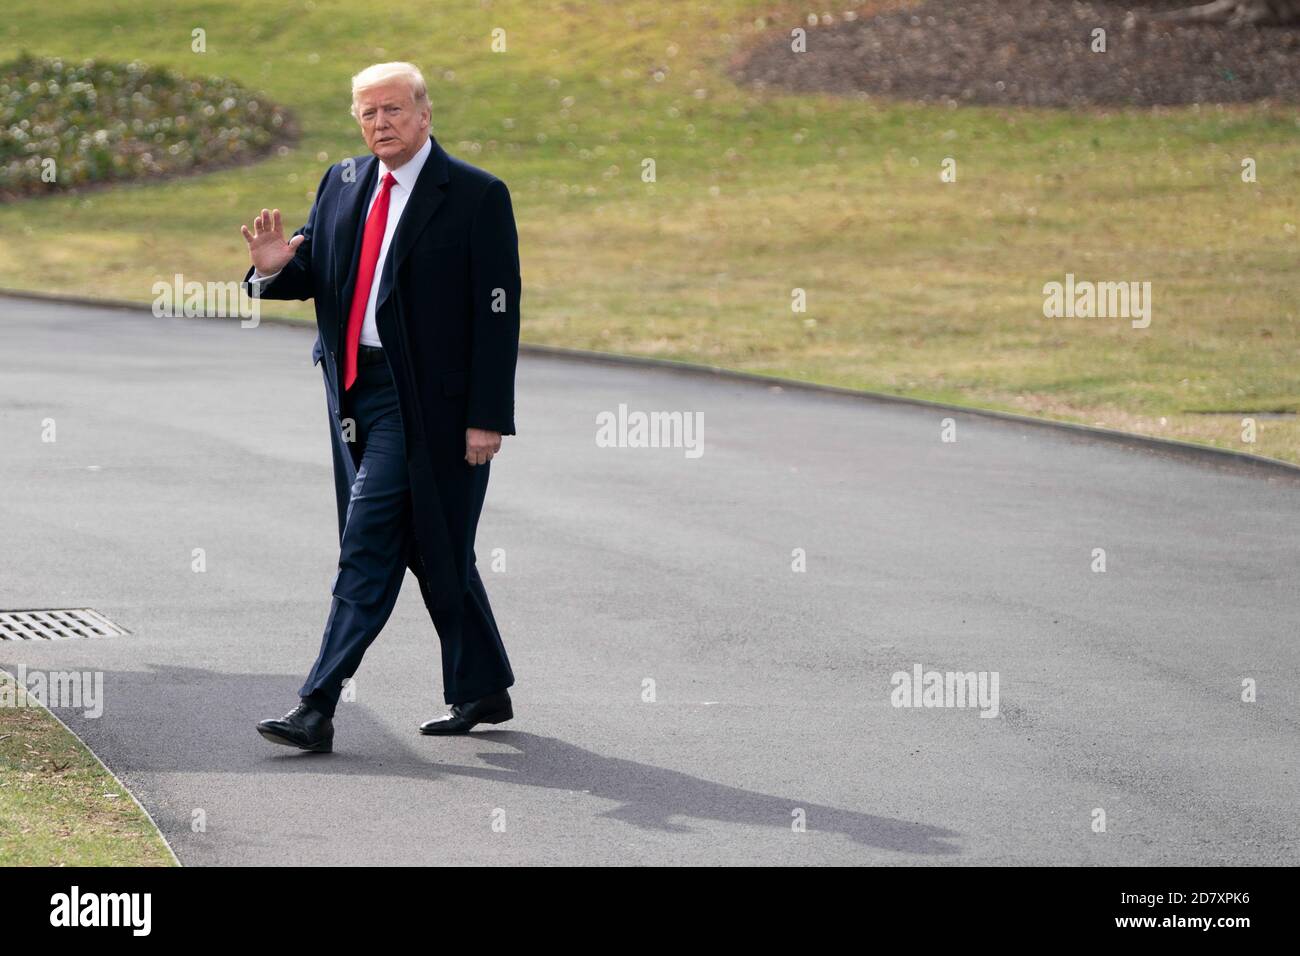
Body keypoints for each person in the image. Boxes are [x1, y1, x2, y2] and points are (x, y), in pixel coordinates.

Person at [241, 62, 520, 752]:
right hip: (352, 396)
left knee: (367, 543)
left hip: (430, 404)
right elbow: (319, 273)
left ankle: (317, 704)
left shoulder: (476, 196)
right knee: (437, 547)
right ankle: (482, 686)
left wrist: (487, 416)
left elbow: (498, 314)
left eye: (393, 110)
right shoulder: (341, 182)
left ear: (425, 114)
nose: (380, 124)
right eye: (367, 113)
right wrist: (275, 267)